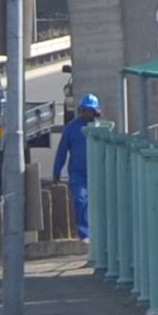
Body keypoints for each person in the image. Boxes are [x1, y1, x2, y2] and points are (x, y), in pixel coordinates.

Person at [52, 93, 102, 242]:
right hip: (78, 173)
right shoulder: (71, 128)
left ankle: (98, 234)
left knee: (97, 204)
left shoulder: (100, 128)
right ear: (81, 111)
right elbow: (62, 150)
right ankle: (84, 234)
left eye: (90, 111)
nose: (87, 114)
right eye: (85, 110)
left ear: (95, 112)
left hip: (97, 172)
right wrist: (56, 171)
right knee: (80, 200)